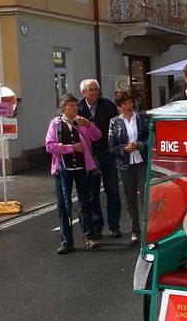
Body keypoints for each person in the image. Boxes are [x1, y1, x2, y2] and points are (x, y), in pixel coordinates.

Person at [46, 93, 102, 253]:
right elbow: (49, 146)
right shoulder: (55, 123)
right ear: (63, 108)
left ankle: (89, 235)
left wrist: (89, 124)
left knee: (85, 202)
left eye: (76, 105)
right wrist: (71, 148)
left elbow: (97, 136)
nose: (74, 108)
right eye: (70, 105)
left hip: (82, 168)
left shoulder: (81, 122)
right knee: (63, 205)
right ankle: (66, 242)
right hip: (63, 170)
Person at [78, 79, 122, 238]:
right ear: (84, 92)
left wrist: (115, 147)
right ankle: (97, 225)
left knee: (113, 191)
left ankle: (114, 225)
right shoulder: (78, 107)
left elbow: (117, 126)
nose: (94, 92)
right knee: (92, 192)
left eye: (96, 89)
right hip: (89, 155)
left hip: (107, 152)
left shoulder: (108, 105)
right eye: (90, 90)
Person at [108, 91, 149, 245]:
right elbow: (111, 145)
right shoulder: (114, 122)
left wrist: (139, 145)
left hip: (142, 162)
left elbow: (151, 137)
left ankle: (148, 230)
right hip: (125, 165)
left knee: (145, 197)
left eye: (130, 102)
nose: (129, 106)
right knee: (130, 199)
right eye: (125, 103)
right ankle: (134, 231)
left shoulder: (142, 118)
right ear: (119, 107)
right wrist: (123, 150)